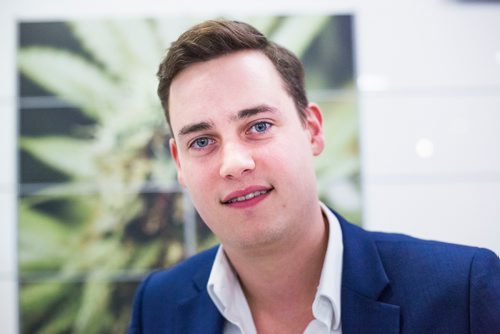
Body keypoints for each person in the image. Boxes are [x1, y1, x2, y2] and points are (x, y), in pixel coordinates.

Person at [128, 19, 499, 334]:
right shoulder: (158, 307)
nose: (234, 163)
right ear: (179, 162)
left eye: (258, 126)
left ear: (313, 130)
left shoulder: (462, 292)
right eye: (203, 141)